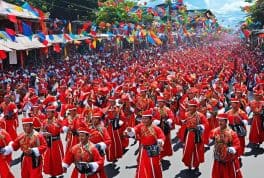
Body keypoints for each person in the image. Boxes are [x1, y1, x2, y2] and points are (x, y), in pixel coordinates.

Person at [125, 109, 165, 178]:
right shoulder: (140, 126)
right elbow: (134, 130)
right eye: (143, 118)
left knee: (154, 166)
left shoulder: (156, 128)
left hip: (153, 148)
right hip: (144, 150)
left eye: (146, 119)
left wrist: (160, 142)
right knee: (143, 166)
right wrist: (130, 130)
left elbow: (162, 137)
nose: (143, 120)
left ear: (150, 119)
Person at [210, 113, 243, 178]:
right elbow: (211, 135)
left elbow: (237, 144)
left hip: (228, 160)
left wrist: (233, 148)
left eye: (222, 121)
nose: (220, 122)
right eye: (219, 120)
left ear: (226, 121)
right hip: (218, 158)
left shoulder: (232, 133)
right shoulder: (215, 131)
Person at [181, 99, 208, 171]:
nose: (190, 108)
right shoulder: (186, 114)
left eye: (192, 106)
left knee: (197, 150)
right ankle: (189, 164)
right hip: (189, 134)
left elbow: (206, 124)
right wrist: (183, 122)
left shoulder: (200, 115)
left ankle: (196, 164)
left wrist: (201, 126)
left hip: (197, 134)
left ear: (196, 107)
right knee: (188, 150)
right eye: (190, 106)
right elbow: (181, 121)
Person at [41, 105, 64, 178]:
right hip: (48, 143)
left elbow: (63, 130)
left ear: (53, 113)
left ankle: (58, 173)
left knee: (56, 158)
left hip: (56, 143)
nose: (47, 114)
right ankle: (51, 174)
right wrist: (44, 133)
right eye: (46, 112)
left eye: (49, 112)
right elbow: (41, 132)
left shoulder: (58, 121)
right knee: (48, 159)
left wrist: (59, 127)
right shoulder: (44, 122)